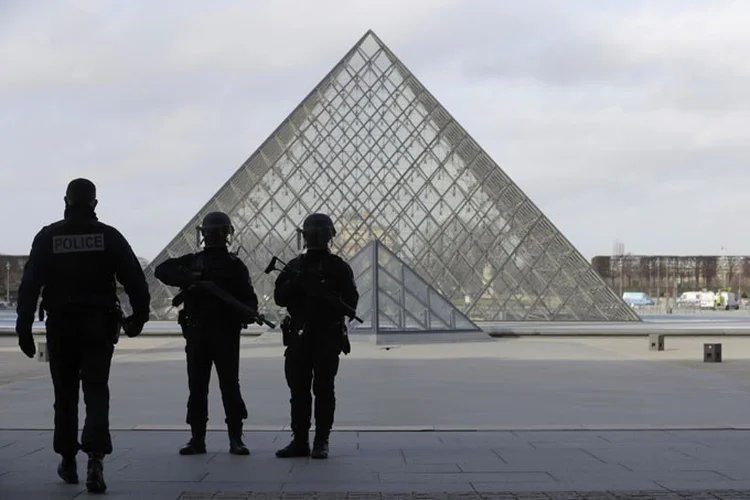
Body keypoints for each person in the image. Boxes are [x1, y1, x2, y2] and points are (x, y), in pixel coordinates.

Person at [15, 178, 150, 494]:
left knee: (64, 394)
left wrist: (23, 328)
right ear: (94, 204)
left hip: (60, 324)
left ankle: (68, 459)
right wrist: (138, 318)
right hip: (98, 325)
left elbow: (30, 286)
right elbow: (135, 280)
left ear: (66, 200)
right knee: (96, 390)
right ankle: (96, 460)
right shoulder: (109, 236)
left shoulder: (48, 237)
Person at [154, 211, 258, 456]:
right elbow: (162, 270)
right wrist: (192, 280)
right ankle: (229, 439)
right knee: (224, 386)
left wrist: (247, 311)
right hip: (212, 333)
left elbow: (247, 299)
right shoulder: (216, 264)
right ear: (228, 234)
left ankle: (202, 438)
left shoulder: (202, 261)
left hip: (208, 333)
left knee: (204, 387)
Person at [273, 213, 359, 459]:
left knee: (321, 390)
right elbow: (280, 297)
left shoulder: (337, 268)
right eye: (315, 234)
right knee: (300, 391)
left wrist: (324, 294)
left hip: (325, 335)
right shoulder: (295, 267)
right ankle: (302, 440)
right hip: (300, 336)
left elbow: (350, 306)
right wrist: (298, 284)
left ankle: (320, 440)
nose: (317, 238)